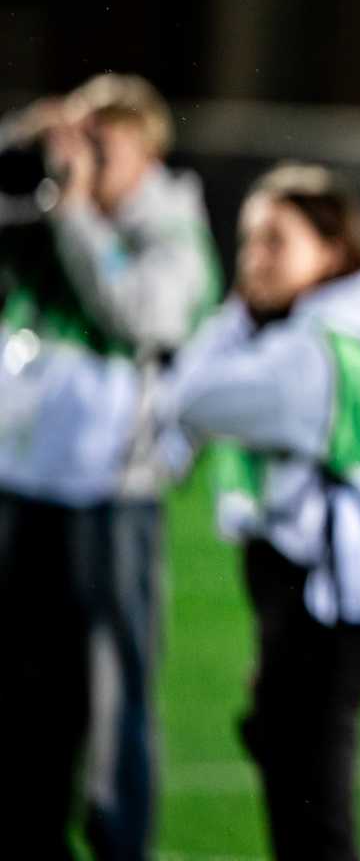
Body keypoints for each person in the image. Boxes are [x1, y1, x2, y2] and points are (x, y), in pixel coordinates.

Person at [156, 163, 360, 861]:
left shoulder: (311, 353)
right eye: (248, 240)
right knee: (304, 799)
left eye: (275, 240)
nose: (253, 258)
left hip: (328, 608)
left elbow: (187, 396)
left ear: (333, 252)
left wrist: (232, 313)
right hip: (329, 601)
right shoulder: (341, 331)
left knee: (313, 824)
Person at [0, 74, 219, 861]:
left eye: (103, 143)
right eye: (79, 139)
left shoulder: (173, 229)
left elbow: (138, 315)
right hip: (24, 478)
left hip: (113, 491)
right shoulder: (49, 208)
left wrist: (78, 212)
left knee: (113, 683)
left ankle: (121, 843)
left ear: (148, 151)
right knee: (22, 677)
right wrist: (22, 141)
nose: (84, 156)